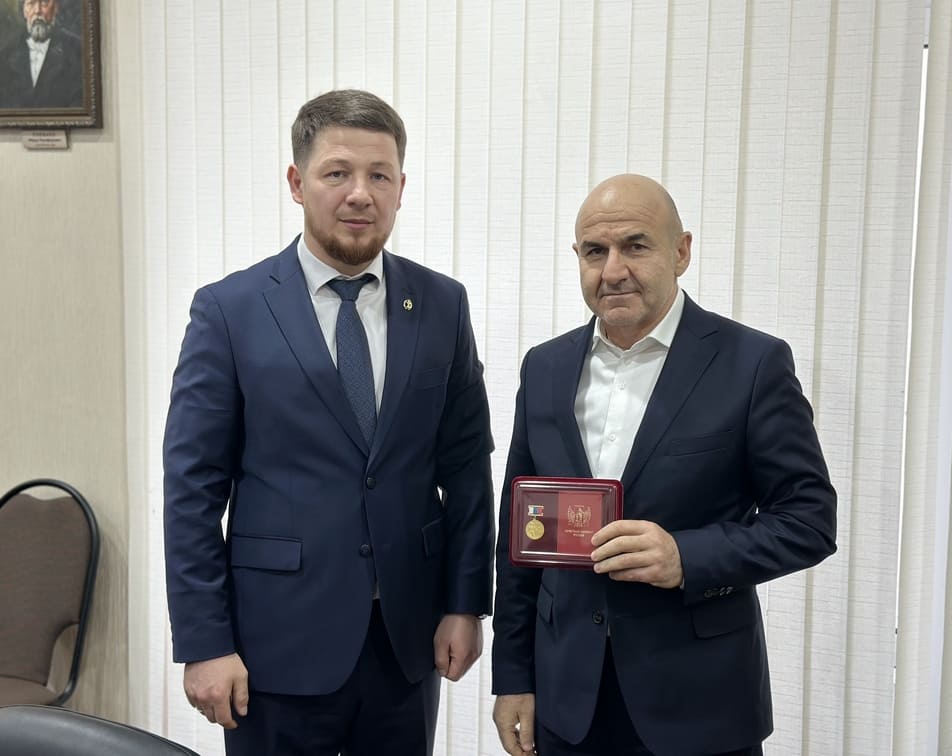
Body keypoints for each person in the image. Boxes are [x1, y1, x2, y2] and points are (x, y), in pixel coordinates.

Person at [163, 89, 495, 756]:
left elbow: (465, 469)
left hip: (404, 642)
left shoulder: (442, 304)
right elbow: (192, 488)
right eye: (337, 173)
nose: (360, 194)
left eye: (380, 176)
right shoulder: (229, 311)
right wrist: (204, 642)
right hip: (273, 646)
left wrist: (465, 603)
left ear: (401, 187)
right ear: (297, 183)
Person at [491, 174, 838, 756]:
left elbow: (809, 521)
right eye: (595, 251)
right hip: (566, 701)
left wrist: (685, 556)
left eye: (636, 245)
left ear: (681, 252)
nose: (613, 270)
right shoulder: (544, 367)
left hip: (700, 704)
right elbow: (521, 535)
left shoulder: (752, 364)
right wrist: (513, 676)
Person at [0, 0, 82, 109]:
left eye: (44, 3)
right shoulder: (6, 54)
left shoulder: (76, 50)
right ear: (24, 10)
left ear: (56, 8)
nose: (37, 10)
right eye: (31, 3)